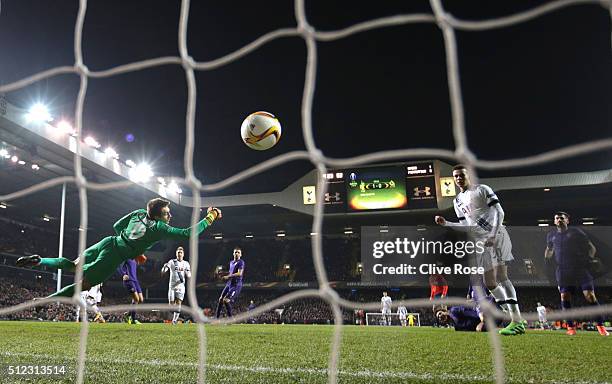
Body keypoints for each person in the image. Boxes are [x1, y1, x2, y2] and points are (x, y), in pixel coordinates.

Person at [16, 198, 221, 298]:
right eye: (167, 213)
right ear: (158, 216)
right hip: (114, 255)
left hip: (108, 241)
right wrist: (210, 218)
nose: (170, 216)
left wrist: (136, 248)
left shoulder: (139, 212)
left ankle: (40, 260)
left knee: (73, 264)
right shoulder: (160, 228)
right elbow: (187, 233)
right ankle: (44, 300)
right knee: (83, 284)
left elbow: (116, 226)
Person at [435, 164, 525, 336]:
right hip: (482, 241)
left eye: (461, 175)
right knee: (490, 283)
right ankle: (511, 312)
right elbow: (466, 226)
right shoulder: (457, 201)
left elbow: (500, 212)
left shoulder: (482, 189)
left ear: (469, 175)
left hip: (497, 234)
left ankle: (516, 321)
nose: (458, 178)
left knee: (501, 276)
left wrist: (492, 234)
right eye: (456, 176)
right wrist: (446, 223)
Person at [545, 211, 608, 336]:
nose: (559, 220)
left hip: (580, 269)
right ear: (554, 221)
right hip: (563, 271)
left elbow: (591, 247)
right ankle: (570, 327)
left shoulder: (576, 232)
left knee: (590, 296)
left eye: (562, 218)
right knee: (564, 297)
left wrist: (591, 259)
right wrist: (547, 258)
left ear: (567, 220)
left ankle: (601, 326)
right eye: (557, 218)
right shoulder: (551, 235)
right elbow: (549, 249)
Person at [161, 246, 191, 324]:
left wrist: (188, 274)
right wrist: (164, 268)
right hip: (172, 287)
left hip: (181, 286)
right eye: (178, 253)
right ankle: (177, 315)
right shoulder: (171, 262)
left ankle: (174, 321)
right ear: (176, 254)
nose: (179, 254)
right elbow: (163, 272)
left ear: (183, 254)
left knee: (178, 303)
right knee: (171, 305)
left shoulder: (186, 263)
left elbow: (189, 274)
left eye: (181, 252)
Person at [215, 247, 245, 319]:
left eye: (238, 252)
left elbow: (239, 273)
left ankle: (231, 319)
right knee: (221, 299)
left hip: (236, 285)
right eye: (235, 252)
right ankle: (216, 318)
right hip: (229, 284)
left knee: (226, 300)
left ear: (241, 254)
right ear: (233, 254)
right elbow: (230, 272)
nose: (237, 254)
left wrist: (228, 276)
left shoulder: (241, 262)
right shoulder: (231, 262)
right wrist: (223, 273)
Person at [117, 257, 144, 324]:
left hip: (135, 281)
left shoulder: (135, 259)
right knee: (136, 299)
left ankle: (127, 314)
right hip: (129, 280)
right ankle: (133, 319)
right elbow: (118, 266)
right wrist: (123, 274)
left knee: (141, 299)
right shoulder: (127, 256)